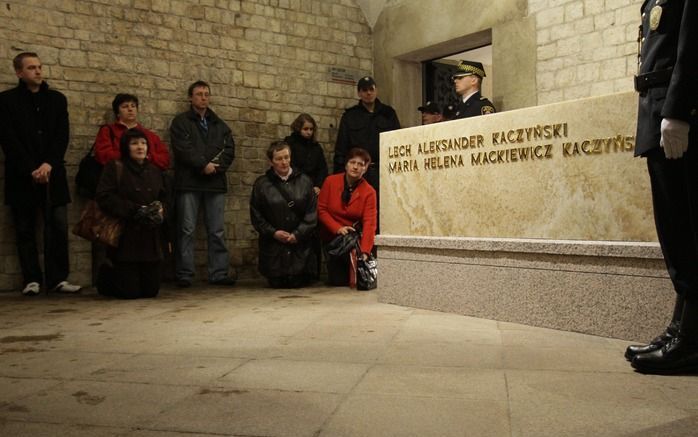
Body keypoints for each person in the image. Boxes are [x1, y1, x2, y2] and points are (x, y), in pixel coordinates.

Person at [626, 1, 698, 375]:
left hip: (676, 113)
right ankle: (679, 331)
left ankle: (690, 342)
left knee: (688, 233)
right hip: (656, 112)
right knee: (676, 236)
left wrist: (679, 109)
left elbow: (692, 44)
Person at [0, 52, 81, 295]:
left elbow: (61, 135)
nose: (38, 71)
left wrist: (48, 164)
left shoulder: (57, 99)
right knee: (25, 228)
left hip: (52, 173)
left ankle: (58, 278)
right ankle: (31, 279)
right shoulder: (6, 101)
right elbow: (8, 139)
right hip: (21, 175)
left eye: (39, 66)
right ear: (19, 72)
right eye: (31, 67)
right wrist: (31, 168)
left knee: (56, 226)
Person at [170, 80, 236, 287]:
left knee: (216, 230)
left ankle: (218, 273)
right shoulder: (180, 122)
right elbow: (183, 149)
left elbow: (229, 150)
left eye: (206, 94)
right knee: (186, 229)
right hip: (189, 183)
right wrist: (203, 164)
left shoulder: (220, 125)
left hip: (214, 183)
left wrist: (215, 167)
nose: (203, 97)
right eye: (199, 94)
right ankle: (184, 274)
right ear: (190, 98)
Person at [95, 129, 168, 299]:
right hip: (125, 236)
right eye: (134, 143)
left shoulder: (155, 171)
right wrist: (134, 209)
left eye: (143, 143)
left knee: (151, 292)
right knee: (130, 293)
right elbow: (104, 196)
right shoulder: (115, 167)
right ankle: (107, 276)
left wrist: (160, 209)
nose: (140, 147)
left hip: (150, 239)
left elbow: (165, 197)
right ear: (126, 147)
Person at [250, 141, 317, 288]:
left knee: (298, 282)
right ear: (270, 161)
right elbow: (256, 215)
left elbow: (311, 214)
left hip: (300, 250)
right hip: (274, 252)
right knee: (276, 283)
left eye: (286, 157)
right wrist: (273, 233)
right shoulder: (261, 185)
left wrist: (298, 234)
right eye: (279, 159)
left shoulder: (305, 182)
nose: (284, 162)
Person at [333, 76, 400, 196]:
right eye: (364, 90)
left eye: (371, 89)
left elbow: (398, 143)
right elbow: (341, 148)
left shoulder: (388, 114)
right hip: (358, 173)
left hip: (384, 171)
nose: (369, 93)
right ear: (359, 93)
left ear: (376, 90)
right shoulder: (350, 116)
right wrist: (340, 176)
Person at [319, 148, 377, 286]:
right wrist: (337, 228)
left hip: (353, 240)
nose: (356, 167)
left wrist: (365, 252)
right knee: (337, 281)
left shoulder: (369, 192)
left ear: (366, 168)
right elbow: (321, 210)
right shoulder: (330, 182)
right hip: (332, 237)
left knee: (354, 282)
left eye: (361, 164)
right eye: (352, 162)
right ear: (346, 164)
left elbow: (370, 223)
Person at [94, 93, 170, 170]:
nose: (130, 109)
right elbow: (102, 155)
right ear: (117, 113)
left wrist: (148, 157)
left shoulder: (149, 135)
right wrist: (131, 155)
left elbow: (165, 160)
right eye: (125, 106)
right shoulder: (108, 131)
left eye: (133, 106)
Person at [284, 113, 328, 194]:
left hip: (312, 188)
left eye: (311, 129)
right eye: (306, 129)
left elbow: (322, 168)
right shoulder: (290, 144)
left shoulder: (316, 147)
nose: (309, 132)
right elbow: (287, 165)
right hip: (293, 186)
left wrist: (318, 185)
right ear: (298, 128)